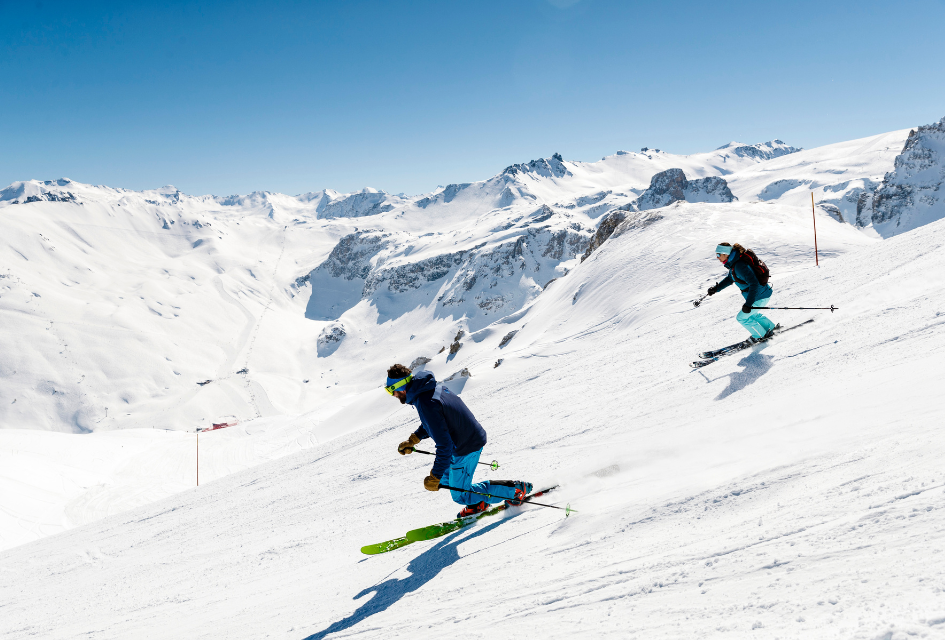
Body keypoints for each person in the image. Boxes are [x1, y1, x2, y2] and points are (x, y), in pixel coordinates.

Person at [385, 364, 532, 518]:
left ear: (401, 387)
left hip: (466, 446)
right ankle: (478, 503)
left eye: (391, 390)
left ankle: (514, 490)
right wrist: (414, 439)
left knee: (461, 495)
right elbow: (436, 421)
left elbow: (444, 445)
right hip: (465, 439)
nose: (392, 395)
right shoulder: (428, 389)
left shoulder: (425, 402)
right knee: (447, 479)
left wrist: (434, 476)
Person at [706, 242, 778, 341]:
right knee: (752, 314)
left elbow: (754, 284)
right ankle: (771, 328)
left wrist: (748, 304)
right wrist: (716, 289)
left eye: (718, 254)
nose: (717, 257)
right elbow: (730, 278)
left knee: (741, 318)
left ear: (725, 254)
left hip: (759, 296)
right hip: (762, 294)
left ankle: (760, 335)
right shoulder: (734, 263)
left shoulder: (738, 265)